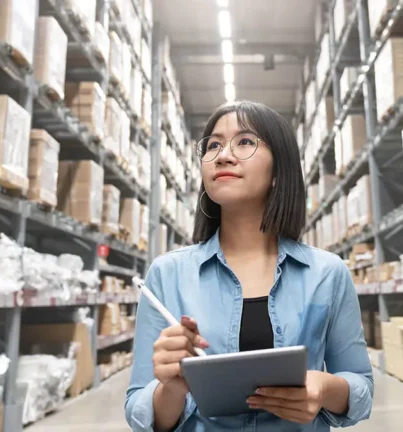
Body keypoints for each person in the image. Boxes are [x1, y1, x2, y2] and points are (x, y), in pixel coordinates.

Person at [125, 100, 373, 431]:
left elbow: (361, 388)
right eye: (213, 145)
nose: (223, 156)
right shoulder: (167, 274)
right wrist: (172, 386)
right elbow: (139, 412)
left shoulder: (327, 273)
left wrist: (325, 389)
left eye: (244, 141)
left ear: (279, 171)